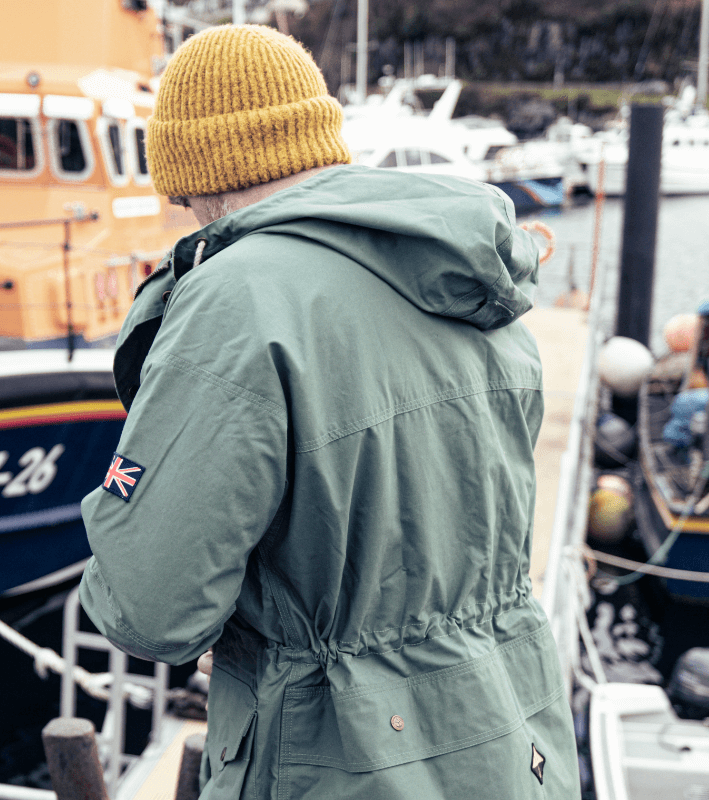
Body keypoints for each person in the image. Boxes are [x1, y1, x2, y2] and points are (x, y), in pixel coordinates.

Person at [79, 23, 580, 800]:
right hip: (509, 730)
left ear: (188, 170)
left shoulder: (238, 295)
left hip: (339, 757)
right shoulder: (469, 268)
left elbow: (150, 607)